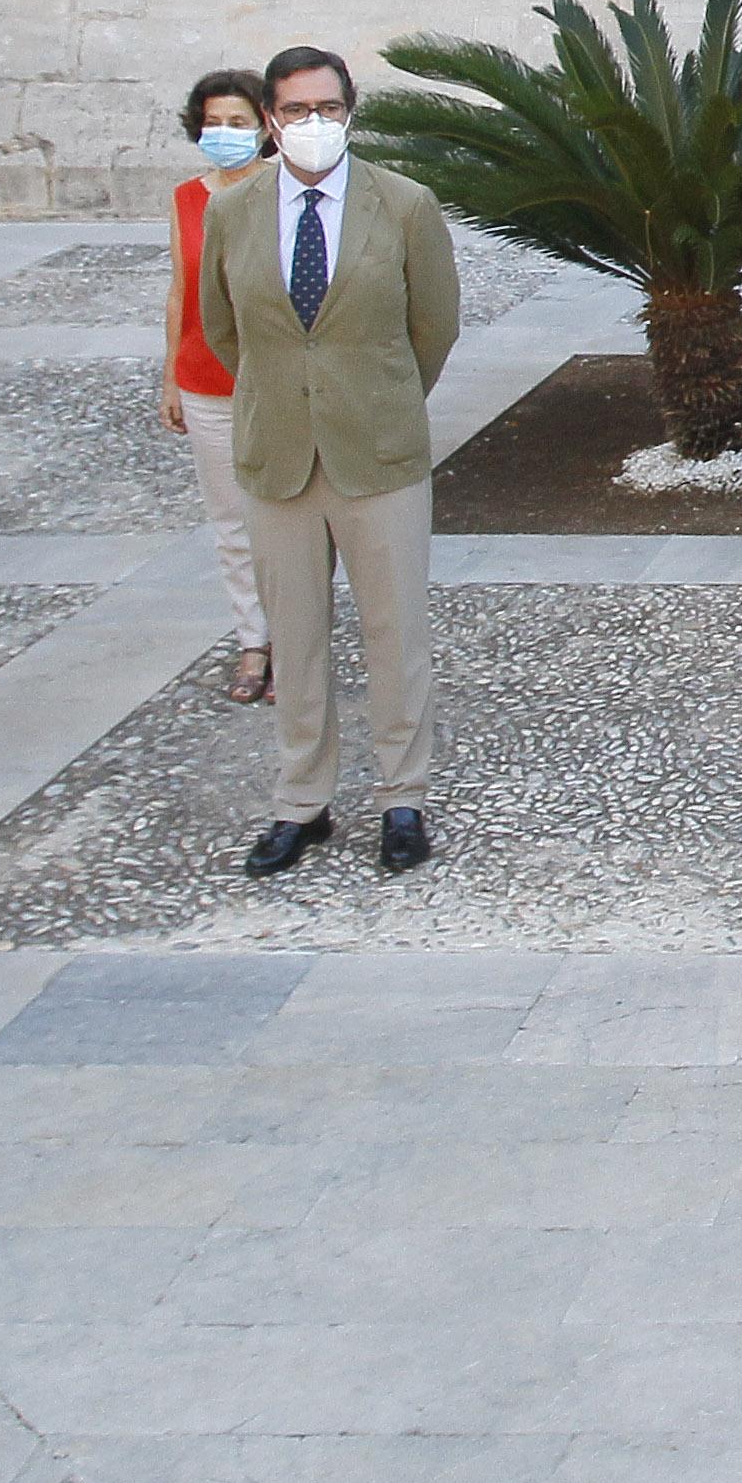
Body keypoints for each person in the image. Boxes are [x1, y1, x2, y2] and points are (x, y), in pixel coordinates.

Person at [196, 44, 462, 877]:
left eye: (331, 109)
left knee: (394, 634)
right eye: (298, 111)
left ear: (352, 112)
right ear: (271, 121)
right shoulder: (233, 214)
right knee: (297, 639)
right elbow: (222, 326)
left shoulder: (405, 204)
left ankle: (402, 797)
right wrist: (289, 395)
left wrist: (376, 397)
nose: (316, 124)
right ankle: (300, 803)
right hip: (278, 454)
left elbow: (435, 327)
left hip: (376, 453)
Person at [160, 70, 276, 706]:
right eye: (214, 123)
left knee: (288, 515)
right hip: (206, 377)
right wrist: (170, 375)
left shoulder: (285, 191)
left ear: (263, 125)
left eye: (238, 122)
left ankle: (296, 638)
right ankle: (253, 639)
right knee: (231, 519)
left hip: (276, 380)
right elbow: (180, 291)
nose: (225, 134)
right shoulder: (186, 199)